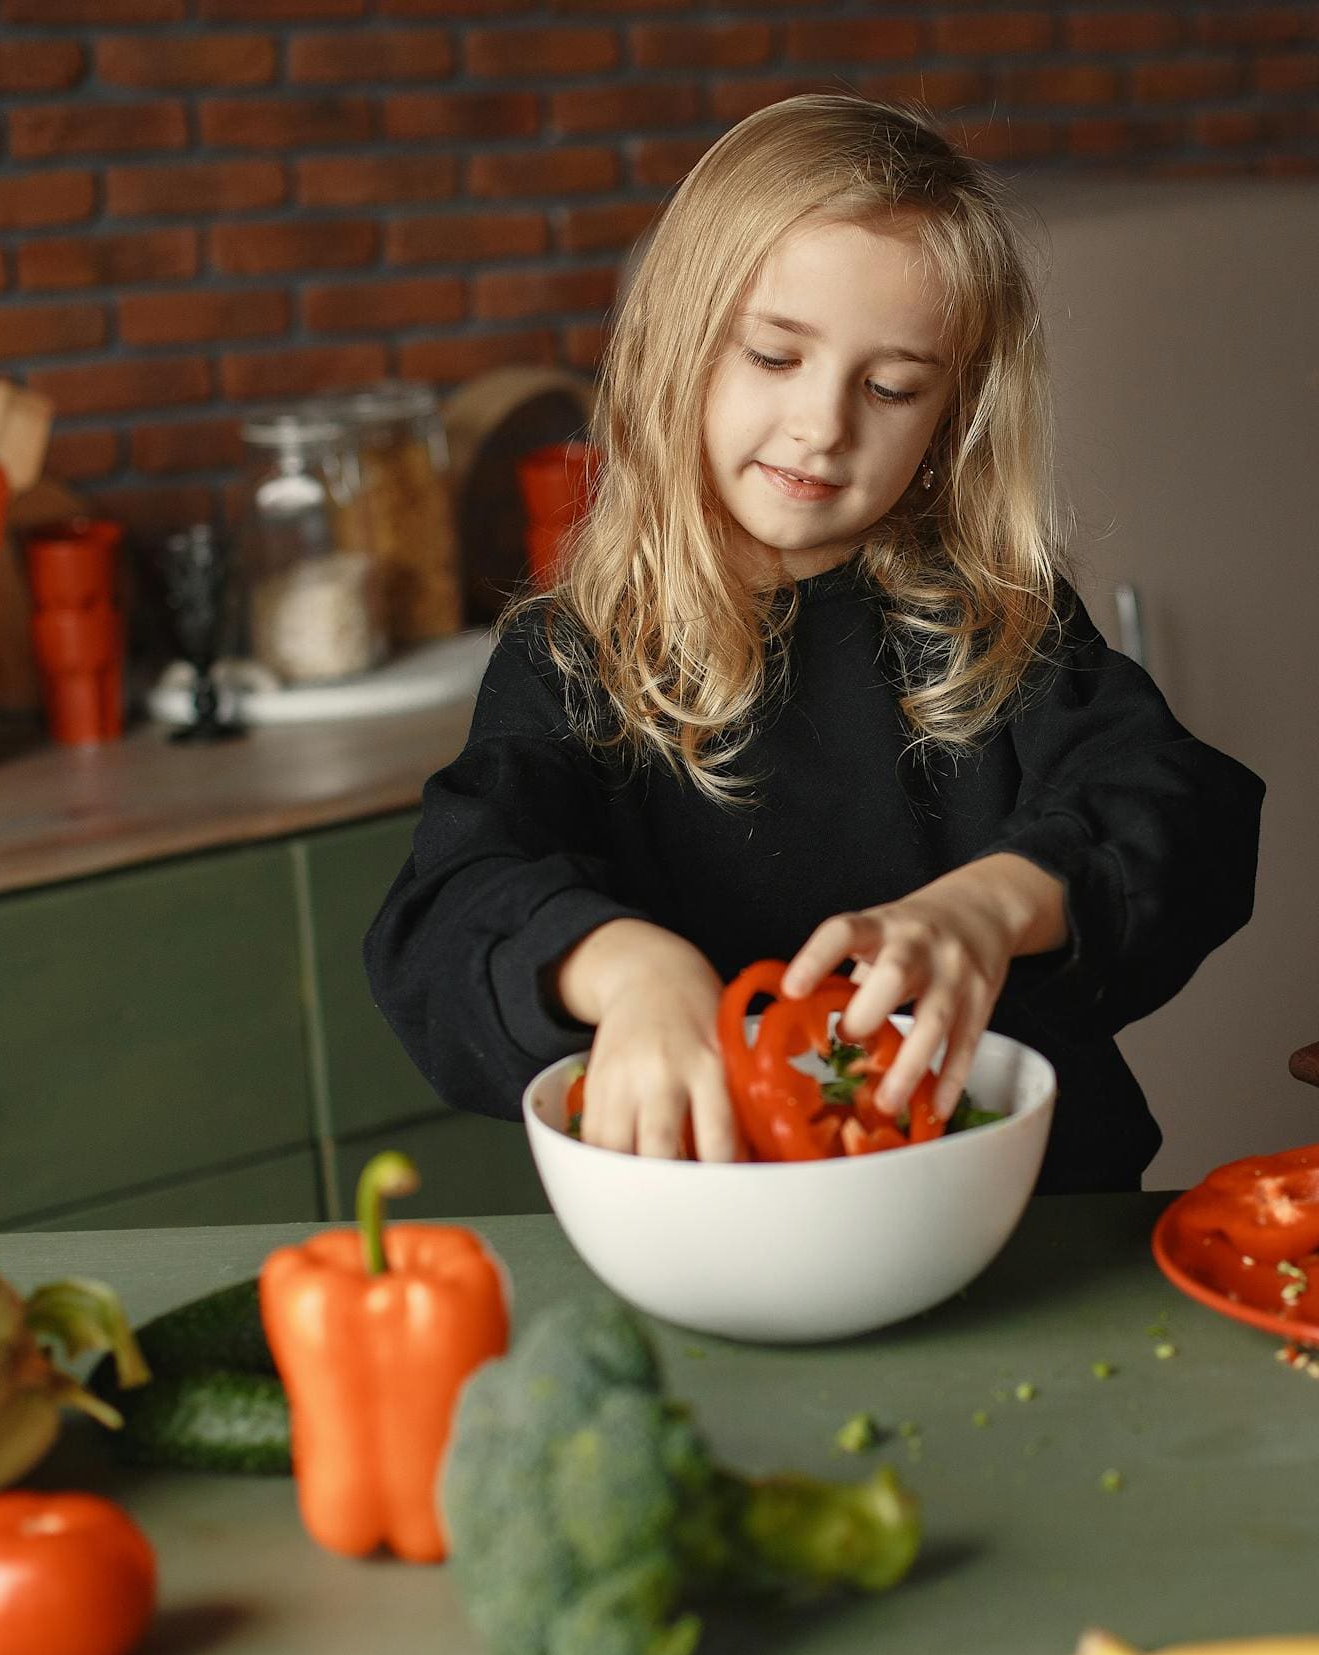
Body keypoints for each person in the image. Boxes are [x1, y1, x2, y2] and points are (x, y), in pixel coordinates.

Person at [365, 94, 1264, 1193]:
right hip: (717, 1231)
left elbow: (1183, 814)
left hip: (1027, 1222)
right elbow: (447, 906)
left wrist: (985, 910)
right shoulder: (575, 660)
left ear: (949, 422)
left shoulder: (998, 630)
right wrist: (625, 971)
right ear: (675, 348)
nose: (824, 424)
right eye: (775, 357)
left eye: (890, 387)